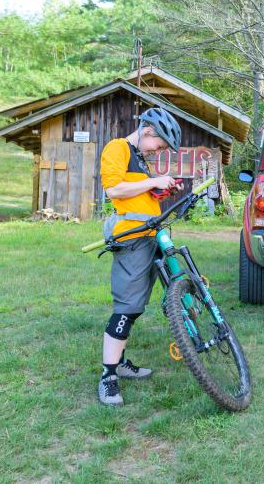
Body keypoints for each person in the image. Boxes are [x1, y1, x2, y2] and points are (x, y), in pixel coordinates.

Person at [96, 107, 182, 406]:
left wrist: (159, 192)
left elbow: (136, 194)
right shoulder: (117, 147)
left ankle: (119, 361)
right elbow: (114, 190)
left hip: (151, 238)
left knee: (136, 307)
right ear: (147, 131)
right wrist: (154, 182)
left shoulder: (140, 158)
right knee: (127, 306)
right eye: (159, 145)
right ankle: (108, 376)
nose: (159, 151)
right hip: (132, 242)